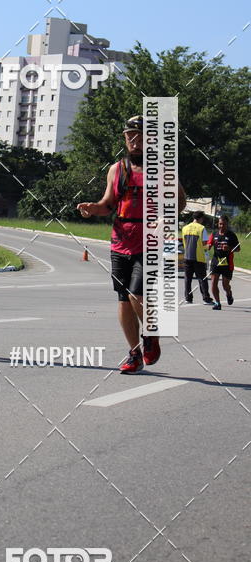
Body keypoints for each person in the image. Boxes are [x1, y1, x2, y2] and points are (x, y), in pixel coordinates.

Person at [77, 115, 187, 374]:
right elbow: (108, 205)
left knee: (136, 293)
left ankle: (151, 334)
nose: (135, 142)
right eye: (130, 136)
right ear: (125, 138)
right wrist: (93, 209)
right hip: (120, 240)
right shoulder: (117, 169)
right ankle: (135, 353)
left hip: (149, 241)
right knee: (123, 299)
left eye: (141, 137)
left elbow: (179, 201)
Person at [207, 214, 240, 310]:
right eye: (220, 224)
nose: (222, 226)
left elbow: (238, 249)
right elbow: (209, 244)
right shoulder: (214, 234)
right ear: (218, 224)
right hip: (216, 261)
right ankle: (217, 303)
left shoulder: (231, 235)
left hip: (227, 263)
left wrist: (229, 248)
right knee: (213, 282)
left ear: (227, 224)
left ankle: (229, 294)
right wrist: (208, 246)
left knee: (225, 285)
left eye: (224, 224)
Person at [181, 211, 213, 305]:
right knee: (202, 279)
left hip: (187, 256)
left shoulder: (184, 228)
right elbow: (204, 244)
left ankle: (188, 298)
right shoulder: (202, 228)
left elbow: (184, 242)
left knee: (188, 279)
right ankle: (206, 298)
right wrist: (209, 246)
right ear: (201, 218)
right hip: (198, 257)